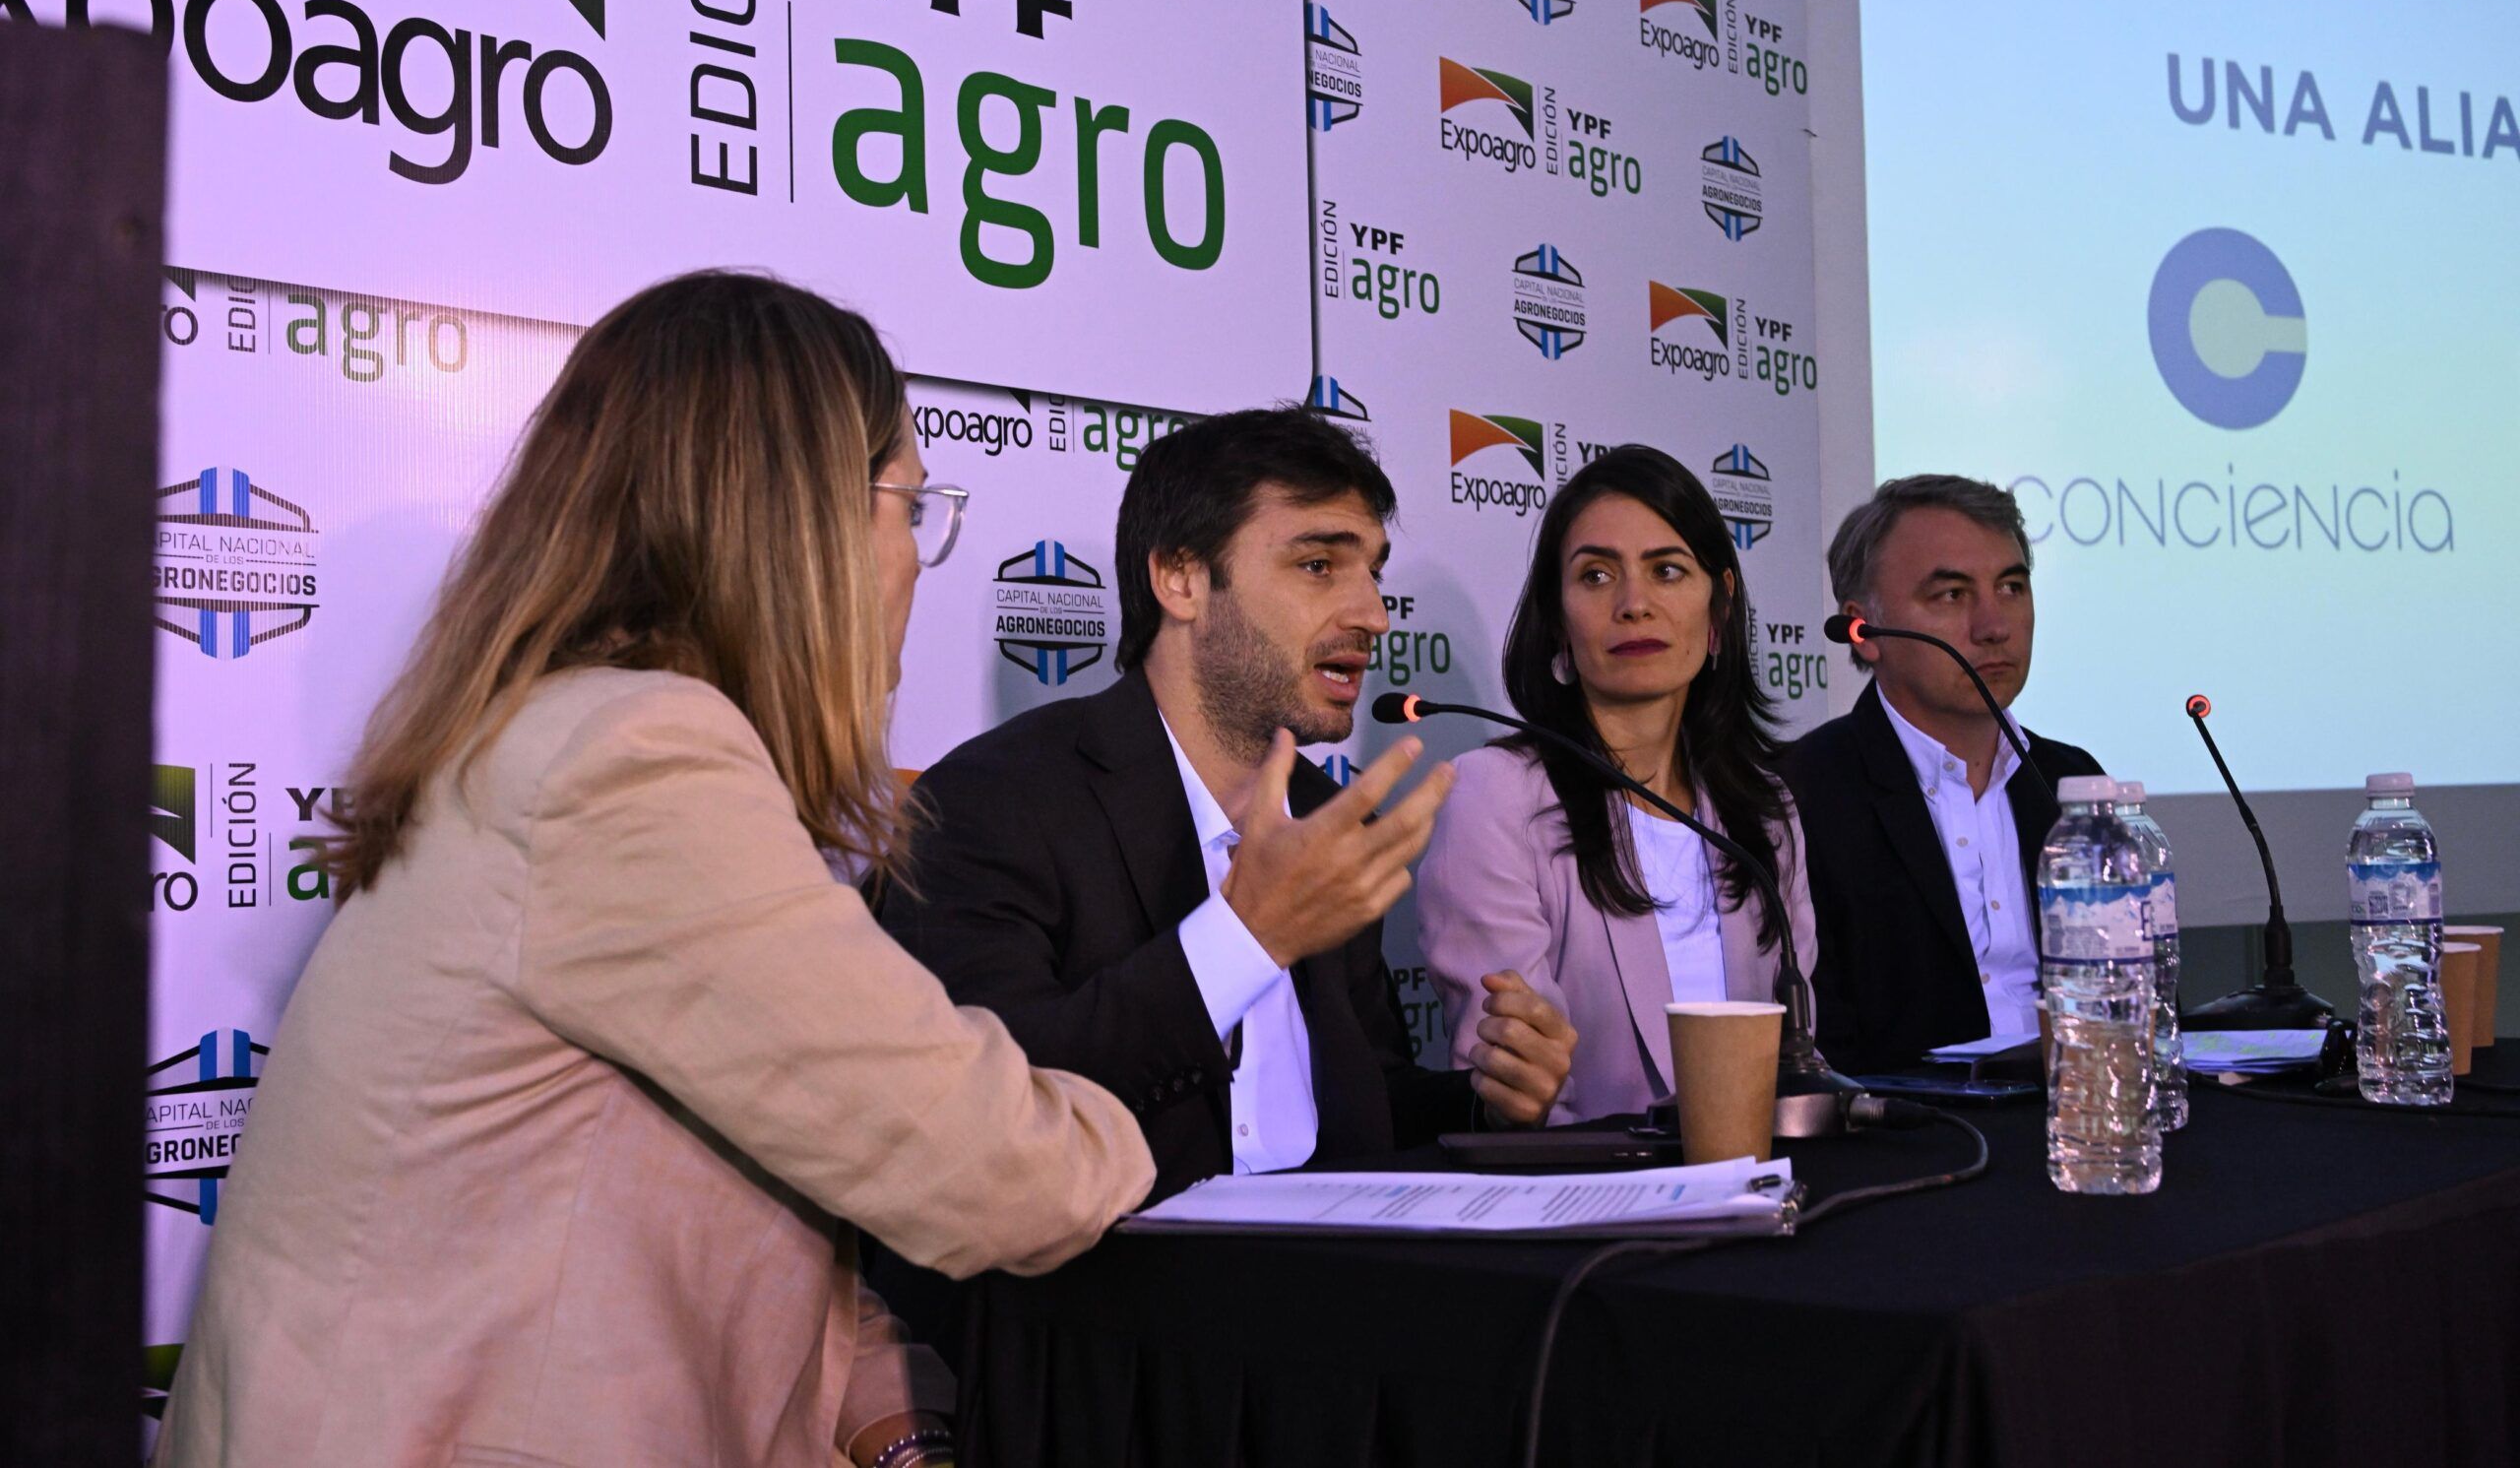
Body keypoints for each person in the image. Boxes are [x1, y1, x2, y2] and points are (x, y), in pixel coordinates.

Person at [153, 273, 1155, 1468]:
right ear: (798, 521)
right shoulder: (633, 760)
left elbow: (726, 1178)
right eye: (910, 505)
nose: (917, 557)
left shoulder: (560, 735)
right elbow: (993, 1170)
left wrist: (887, 1403)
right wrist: (1178, 1104)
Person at [887, 407, 1575, 1202]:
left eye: (1374, 574)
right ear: (1181, 580)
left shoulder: (1328, 818)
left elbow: (1363, 1106)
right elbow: (996, 1111)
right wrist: (1247, 937)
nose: (1373, 616)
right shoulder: (992, 802)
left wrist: (1491, 1106)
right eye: (1318, 565)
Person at [1415, 445, 1818, 1123]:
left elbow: (1796, 1063)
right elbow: (1521, 1089)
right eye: (1597, 575)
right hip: (1584, 1180)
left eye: (1667, 571)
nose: (1634, 604)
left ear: (1718, 611)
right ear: (1558, 621)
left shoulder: (1765, 812)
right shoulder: (1496, 797)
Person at [1781, 474, 2106, 1071]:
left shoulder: (2070, 780)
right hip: (1910, 1118)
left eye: (2011, 587)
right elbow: (1818, 1046)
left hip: (2079, 1105)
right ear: (1864, 630)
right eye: (1952, 595)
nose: (1994, 626)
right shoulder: (1804, 793)